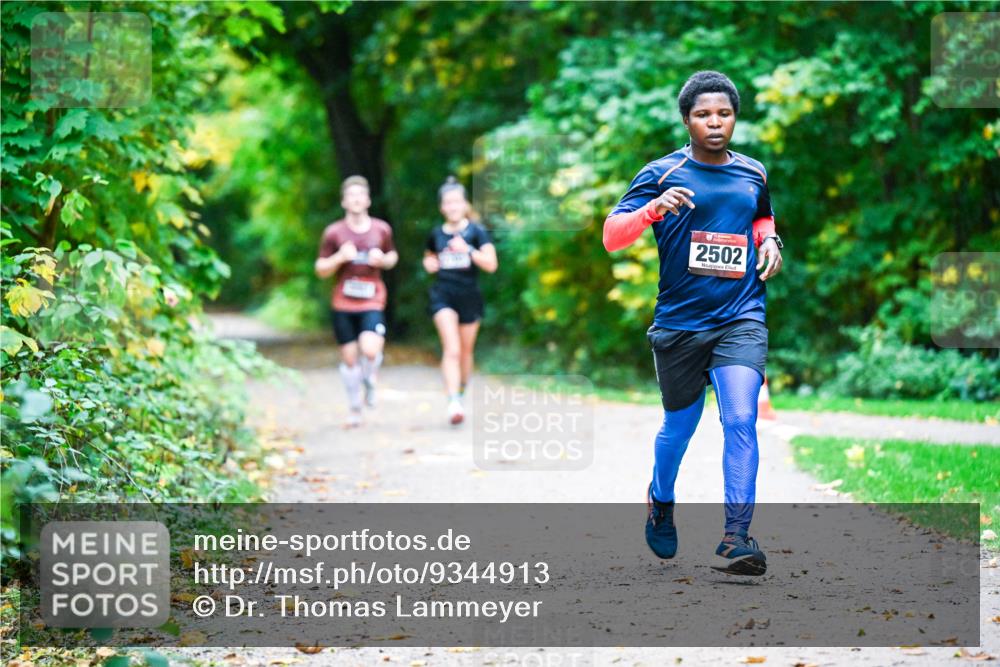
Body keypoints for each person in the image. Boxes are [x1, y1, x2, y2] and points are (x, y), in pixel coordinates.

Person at [602, 71, 784, 576]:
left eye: (723, 113)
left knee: (741, 418)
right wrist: (653, 210)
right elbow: (612, 235)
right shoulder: (662, 172)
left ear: (735, 118)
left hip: (741, 315)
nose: (715, 122)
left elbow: (761, 217)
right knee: (680, 427)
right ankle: (661, 498)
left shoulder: (753, 172)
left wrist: (770, 242)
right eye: (704, 114)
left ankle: (736, 537)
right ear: (687, 120)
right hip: (680, 323)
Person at [315, 175, 399, 428]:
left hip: (372, 299)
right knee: (350, 359)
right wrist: (340, 257)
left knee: (371, 349)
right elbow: (320, 269)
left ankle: (370, 378)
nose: (356, 200)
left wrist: (382, 260)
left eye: (360, 195)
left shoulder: (381, 229)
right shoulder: (334, 232)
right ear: (344, 201)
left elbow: (393, 256)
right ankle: (354, 405)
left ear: (368, 200)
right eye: (351, 195)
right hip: (343, 303)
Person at [423, 176, 498, 425]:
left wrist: (467, 250)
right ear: (442, 207)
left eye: (457, 202)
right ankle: (453, 401)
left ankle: (461, 391)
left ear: (465, 204)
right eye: (448, 203)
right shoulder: (436, 234)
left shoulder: (477, 232)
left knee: (465, 352)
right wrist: (430, 264)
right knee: (452, 349)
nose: (453, 207)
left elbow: (491, 265)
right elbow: (429, 259)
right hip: (443, 295)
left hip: (469, 296)